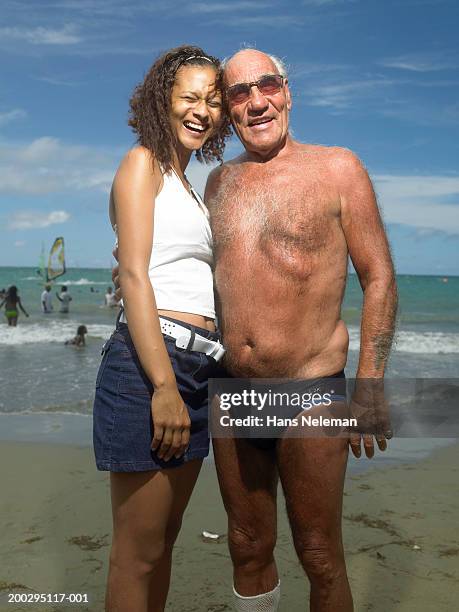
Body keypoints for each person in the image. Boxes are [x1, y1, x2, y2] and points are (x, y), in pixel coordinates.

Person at [201, 49, 398, 612]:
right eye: (240, 92)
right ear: (228, 109)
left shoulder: (338, 168)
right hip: (235, 390)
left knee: (317, 551)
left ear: (287, 91)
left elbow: (378, 276)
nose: (257, 101)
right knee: (246, 546)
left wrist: (370, 385)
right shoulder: (217, 184)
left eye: (267, 85)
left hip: (311, 391)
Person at [93, 45, 230, 612]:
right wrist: (165, 388)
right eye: (190, 97)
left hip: (198, 368)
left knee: (165, 546)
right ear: (163, 101)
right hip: (153, 370)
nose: (203, 110)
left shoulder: (189, 185)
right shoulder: (142, 163)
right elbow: (134, 275)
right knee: (137, 555)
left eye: (214, 101)